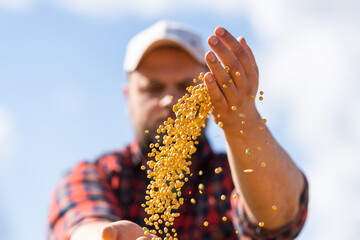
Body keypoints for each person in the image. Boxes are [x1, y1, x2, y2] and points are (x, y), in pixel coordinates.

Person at [47, 20, 308, 240]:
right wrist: (108, 235)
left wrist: (242, 121)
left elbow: (280, 217)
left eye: (186, 86)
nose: (169, 100)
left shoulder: (232, 172)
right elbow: (81, 225)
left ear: (209, 94)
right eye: (153, 88)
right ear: (128, 98)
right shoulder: (98, 175)